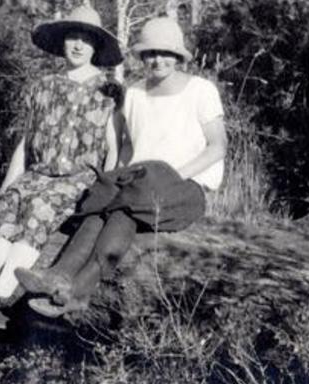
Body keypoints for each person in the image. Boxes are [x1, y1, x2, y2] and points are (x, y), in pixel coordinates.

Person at [14, 16, 228, 317]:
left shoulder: (200, 90)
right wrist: (117, 176)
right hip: (141, 183)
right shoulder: (135, 92)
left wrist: (172, 177)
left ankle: (78, 292)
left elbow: (218, 146)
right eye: (150, 53)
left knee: (124, 208)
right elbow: (129, 145)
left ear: (178, 56)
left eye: (166, 53)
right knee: (101, 204)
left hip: (185, 188)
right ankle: (57, 277)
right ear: (142, 56)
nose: (158, 60)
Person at [0, 5, 124, 328]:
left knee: (39, 207)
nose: (78, 45)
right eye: (72, 37)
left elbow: (113, 148)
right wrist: (2, 192)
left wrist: (103, 193)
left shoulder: (108, 91)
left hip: (76, 180)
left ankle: (1, 294)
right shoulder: (44, 86)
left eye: (86, 39)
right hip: (38, 173)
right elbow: (26, 144)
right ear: (62, 42)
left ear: (96, 46)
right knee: (12, 202)